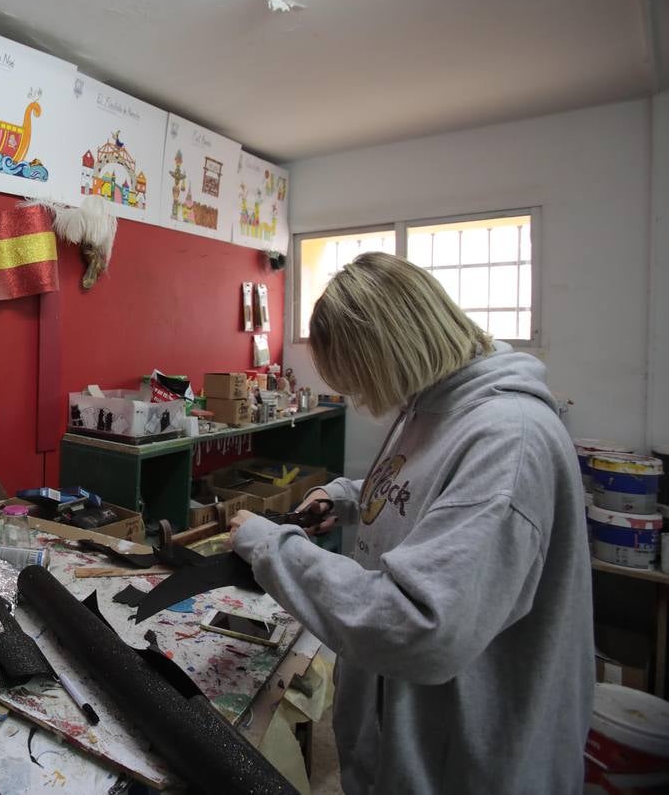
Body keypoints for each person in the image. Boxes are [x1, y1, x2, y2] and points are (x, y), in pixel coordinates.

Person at [228, 252, 593, 794]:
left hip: (469, 768)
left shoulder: (509, 441)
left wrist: (272, 548)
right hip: (399, 748)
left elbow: (419, 624)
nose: (360, 397)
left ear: (393, 349)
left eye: (361, 377)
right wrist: (347, 497)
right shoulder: (431, 402)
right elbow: (419, 491)